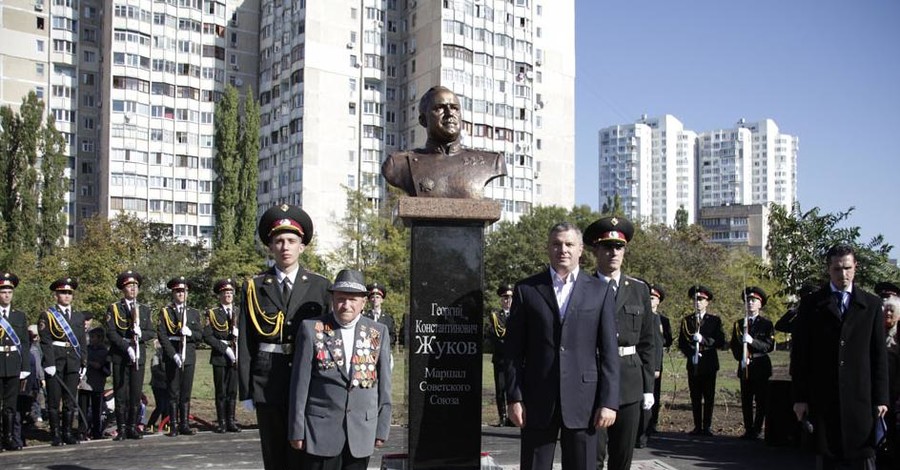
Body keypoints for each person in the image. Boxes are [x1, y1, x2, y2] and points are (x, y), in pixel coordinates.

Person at [504, 222, 620, 470]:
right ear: (548, 248)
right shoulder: (527, 290)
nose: (563, 249)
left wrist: (609, 401)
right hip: (536, 401)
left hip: (584, 402)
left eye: (569, 244)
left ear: (580, 250)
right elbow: (513, 351)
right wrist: (514, 397)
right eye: (556, 244)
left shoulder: (600, 291)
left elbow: (610, 353)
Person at [239, 204, 331, 470]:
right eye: (278, 241)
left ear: (302, 246)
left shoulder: (320, 286)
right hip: (268, 380)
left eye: (292, 240)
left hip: (309, 379)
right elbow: (245, 340)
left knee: (305, 450)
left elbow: (329, 338)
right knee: (274, 451)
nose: (285, 246)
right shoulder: (253, 287)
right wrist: (246, 390)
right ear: (270, 247)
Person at [792, 244, 889, 469]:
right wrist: (799, 397)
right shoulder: (811, 304)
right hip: (824, 398)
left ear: (855, 267)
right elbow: (800, 355)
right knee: (828, 458)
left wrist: (881, 398)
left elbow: (878, 356)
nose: (842, 274)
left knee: (863, 459)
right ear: (828, 270)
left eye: (847, 268)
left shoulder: (871, 305)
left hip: (860, 399)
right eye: (837, 269)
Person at [288, 269, 392, 469]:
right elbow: (299, 384)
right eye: (341, 298)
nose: (346, 305)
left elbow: (384, 385)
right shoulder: (312, 329)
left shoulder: (378, 332)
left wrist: (382, 428)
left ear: (364, 301)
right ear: (333, 299)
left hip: (362, 430)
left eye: (353, 299)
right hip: (321, 430)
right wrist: (297, 430)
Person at [583, 216, 656, 470]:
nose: (613, 252)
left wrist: (648, 388)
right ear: (595, 251)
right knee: (592, 457)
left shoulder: (639, 290)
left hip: (629, 381)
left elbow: (648, 343)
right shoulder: (583, 288)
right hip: (594, 381)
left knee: (622, 458)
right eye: (606, 247)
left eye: (619, 247)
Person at [381, 86, 507, 199]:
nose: (449, 114)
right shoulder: (399, 164)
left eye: (455, 108)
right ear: (423, 120)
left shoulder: (492, 162)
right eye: (439, 108)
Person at [105, 270, 156, 440]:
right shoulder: (114, 308)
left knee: (135, 393)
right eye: (129, 286)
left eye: (135, 286)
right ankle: (121, 428)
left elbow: (151, 332)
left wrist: (141, 334)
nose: (133, 289)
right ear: (123, 288)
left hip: (138, 356)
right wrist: (126, 346)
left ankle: (133, 427)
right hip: (121, 355)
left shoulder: (144, 309)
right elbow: (111, 333)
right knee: (121, 394)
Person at [39, 277, 87, 446]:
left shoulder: (78, 316)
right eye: (63, 293)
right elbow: (45, 341)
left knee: (70, 401)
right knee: (53, 401)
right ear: (56, 295)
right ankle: (56, 434)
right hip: (56, 361)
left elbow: (82, 341)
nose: (66, 296)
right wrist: (50, 363)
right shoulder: (48, 315)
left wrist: (84, 363)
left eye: (69, 293)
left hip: (73, 362)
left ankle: (67, 432)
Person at [156, 276, 202, 437]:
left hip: (188, 355)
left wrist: (190, 333)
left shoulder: (194, 313)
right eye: (178, 291)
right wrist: (173, 354)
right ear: (173, 293)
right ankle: (173, 425)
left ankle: (185, 424)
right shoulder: (166, 312)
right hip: (173, 354)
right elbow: (162, 335)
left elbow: (199, 335)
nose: (181, 294)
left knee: (185, 392)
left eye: (183, 291)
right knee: (173, 392)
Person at [677, 285, 725, 436]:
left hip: (709, 362)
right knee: (695, 396)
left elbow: (720, 341)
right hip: (694, 362)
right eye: (695, 299)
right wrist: (690, 353)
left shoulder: (715, 320)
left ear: (707, 302)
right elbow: (682, 343)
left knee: (709, 396)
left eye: (701, 299)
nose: (697, 302)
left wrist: (704, 340)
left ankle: (707, 426)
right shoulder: (687, 320)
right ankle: (697, 426)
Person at [729, 286, 775, 440]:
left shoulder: (766, 324)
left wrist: (752, 341)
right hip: (745, 365)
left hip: (760, 365)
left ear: (760, 305)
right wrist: (740, 357)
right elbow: (734, 345)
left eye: (754, 301)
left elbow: (768, 346)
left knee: (760, 400)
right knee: (746, 399)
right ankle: (748, 429)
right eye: (748, 300)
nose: (750, 303)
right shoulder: (738, 324)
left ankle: (757, 429)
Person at [636, 284, 673, 447]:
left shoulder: (656, 318)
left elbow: (657, 344)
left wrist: (656, 367)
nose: (649, 300)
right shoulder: (641, 314)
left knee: (649, 398)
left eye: (652, 298)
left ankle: (645, 432)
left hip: (650, 365)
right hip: (635, 363)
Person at [203, 278, 241, 433]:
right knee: (221, 390)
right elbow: (207, 335)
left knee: (232, 390)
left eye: (230, 292)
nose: (228, 295)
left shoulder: (239, 312)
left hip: (236, 353)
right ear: (219, 295)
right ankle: (222, 422)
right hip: (220, 355)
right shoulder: (212, 313)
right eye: (225, 292)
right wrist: (224, 348)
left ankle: (231, 420)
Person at [0, 272, 30, 452]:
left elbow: (24, 343)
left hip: (13, 366)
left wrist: (25, 366)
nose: (6, 295)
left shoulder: (19, 316)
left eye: (9, 292)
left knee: (10, 406)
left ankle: (9, 438)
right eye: (3, 291)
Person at [488, 283, 514, 427]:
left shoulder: (518, 314)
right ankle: (502, 416)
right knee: (501, 389)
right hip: (501, 359)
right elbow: (495, 335)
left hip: (515, 359)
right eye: (505, 297)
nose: (508, 300)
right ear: (501, 299)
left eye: (510, 297)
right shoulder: (495, 316)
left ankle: (512, 417)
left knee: (513, 389)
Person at [82, 327, 110, 440]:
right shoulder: (86, 350)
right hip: (84, 383)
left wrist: (100, 367)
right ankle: (82, 430)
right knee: (83, 409)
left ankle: (96, 431)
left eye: (93, 337)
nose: (91, 339)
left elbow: (108, 371)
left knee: (96, 410)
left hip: (97, 384)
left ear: (100, 338)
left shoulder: (104, 352)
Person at [145, 343, 169, 433]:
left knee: (167, 407)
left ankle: (166, 425)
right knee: (160, 406)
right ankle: (150, 425)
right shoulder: (156, 356)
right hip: (157, 385)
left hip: (167, 386)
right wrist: (167, 376)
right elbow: (155, 370)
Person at [363, 283, 396, 347]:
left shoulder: (388, 318)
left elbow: (393, 337)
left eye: (378, 297)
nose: (375, 300)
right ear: (369, 300)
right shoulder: (364, 317)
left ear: (382, 300)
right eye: (372, 297)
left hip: (383, 348)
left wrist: (381, 341)